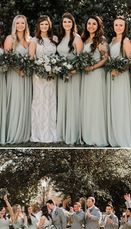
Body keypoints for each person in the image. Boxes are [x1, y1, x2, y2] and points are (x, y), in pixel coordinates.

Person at [107, 16, 131, 147]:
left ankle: (123, 136)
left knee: (121, 105)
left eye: (121, 25)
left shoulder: (126, 41)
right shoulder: (112, 40)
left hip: (121, 76)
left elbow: (130, 61)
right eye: (116, 25)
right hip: (111, 76)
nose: (118, 27)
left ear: (125, 27)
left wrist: (119, 70)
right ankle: (113, 135)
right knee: (113, 104)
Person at [80, 16, 108, 146]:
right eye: (89, 23)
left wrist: (92, 67)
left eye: (94, 24)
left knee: (96, 104)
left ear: (98, 26)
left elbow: (105, 58)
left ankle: (97, 135)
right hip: (86, 76)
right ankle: (87, 134)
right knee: (88, 104)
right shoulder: (84, 39)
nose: (91, 26)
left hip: (96, 74)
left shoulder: (100, 40)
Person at [29, 15, 58, 143]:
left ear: (49, 25)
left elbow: (58, 57)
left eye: (46, 24)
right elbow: (31, 58)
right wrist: (40, 68)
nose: (44, 27)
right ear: (38, 26)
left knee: (50, 101)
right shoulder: (34, 40)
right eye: (42, 24)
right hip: (39, 76)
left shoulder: (55, 39)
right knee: (39, 101)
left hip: (52, 76)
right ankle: (39, 132)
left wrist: (54, 66)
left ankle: (51, 131)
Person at [57, 12, 83, 145]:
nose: (67, 24)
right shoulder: (60, 38)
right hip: (61, 75)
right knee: (63, 101)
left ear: (73, 24)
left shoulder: (76, 38)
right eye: (64, 22)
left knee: (72, 102)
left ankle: (73, 132)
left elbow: (80, 59)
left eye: (69, 22)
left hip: (73, 75)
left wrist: (72, 71)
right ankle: (62, 131)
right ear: (62, 24)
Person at [4, 15, 32, 144]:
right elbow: (7, 59)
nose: (20, 25)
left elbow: (32, 58)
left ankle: (24, 132)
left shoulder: (30, 40)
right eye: (18, 23)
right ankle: (13, 132)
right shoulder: (10, 39)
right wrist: (18, 70)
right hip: (14, 75)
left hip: (26, 76)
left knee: (25, 101)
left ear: (25, 25)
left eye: (22, 23)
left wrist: (26, 69)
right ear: (14, 25)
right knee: (15, 101)